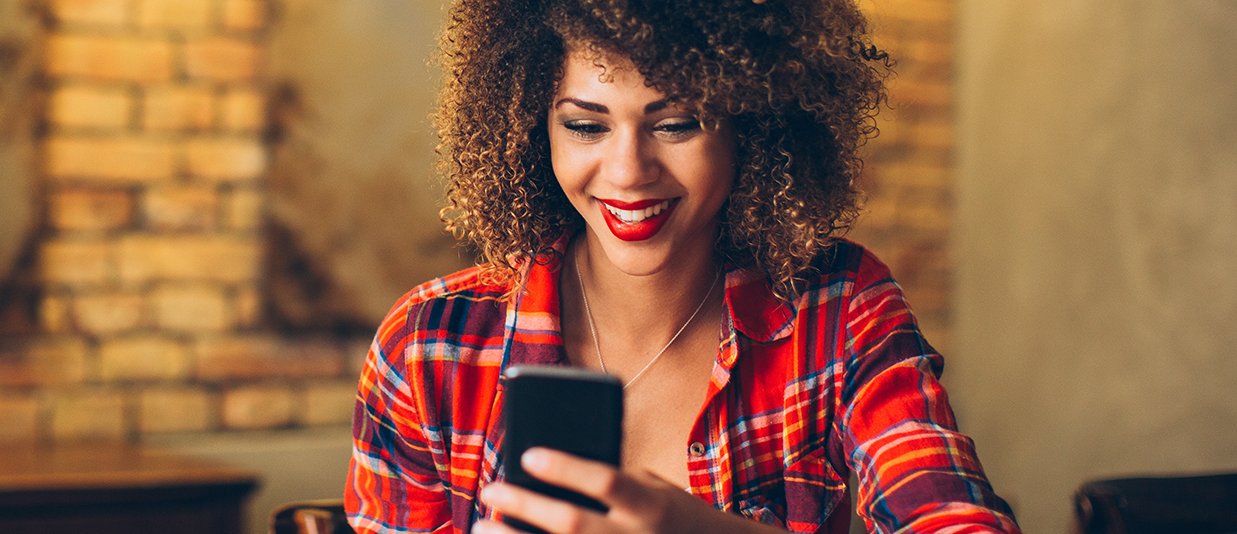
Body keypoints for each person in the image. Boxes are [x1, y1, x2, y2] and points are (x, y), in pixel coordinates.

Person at [344, 0, 1021, 533]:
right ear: (532, 128)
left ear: (753, 124)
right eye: (586, 125)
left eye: (675, 124)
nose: (627, 172)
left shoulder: (840, 311)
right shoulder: (430, 345)